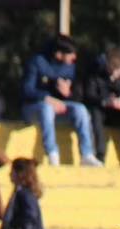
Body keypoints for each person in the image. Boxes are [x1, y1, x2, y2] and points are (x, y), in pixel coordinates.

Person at [20, 35, 98, 168]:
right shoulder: (37, 62)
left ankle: (87, 154)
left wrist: (67, 93)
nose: (74, 58)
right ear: (58, 54)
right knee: (47, 108)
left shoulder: (69, 67)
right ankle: (52, 153)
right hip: (34, 108)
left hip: (57, 108)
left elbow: (75, 96)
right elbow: (26, 90)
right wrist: (47, 98)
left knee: (80, 109)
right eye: (70, 54)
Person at [83, 47, 120, 167]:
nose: (114, 74)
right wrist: (105, 101)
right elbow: (89, 95)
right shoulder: (96, 70)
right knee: (95, 112)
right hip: (104, 111)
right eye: (111, 70)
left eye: (117, 71)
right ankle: (100, 154)